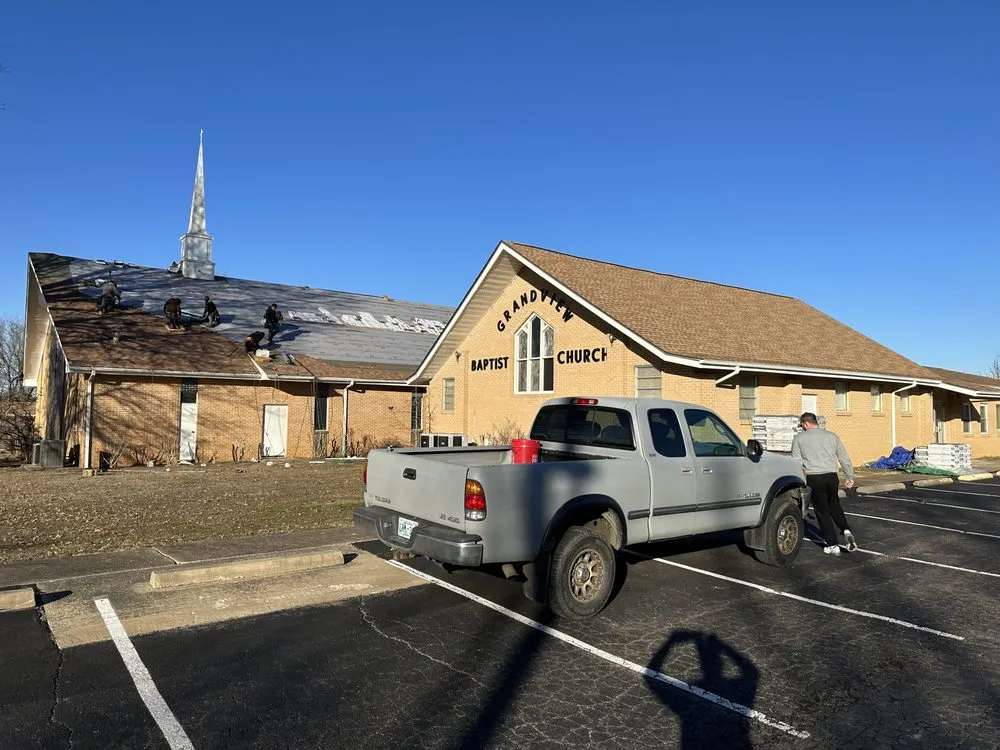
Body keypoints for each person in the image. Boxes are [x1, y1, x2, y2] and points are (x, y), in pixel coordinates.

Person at [791, 412, 857, 555]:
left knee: (822, 512)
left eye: (802, 425)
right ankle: (846, 530)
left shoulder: (799, 438)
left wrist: (799, 480)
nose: (802, 427)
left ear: (806, 424)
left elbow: (796, 461)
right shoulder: (832, 436)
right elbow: (844, 458)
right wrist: (849, 476)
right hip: (831, 477)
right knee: (834, 504)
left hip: (814, 478)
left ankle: (833, 545)